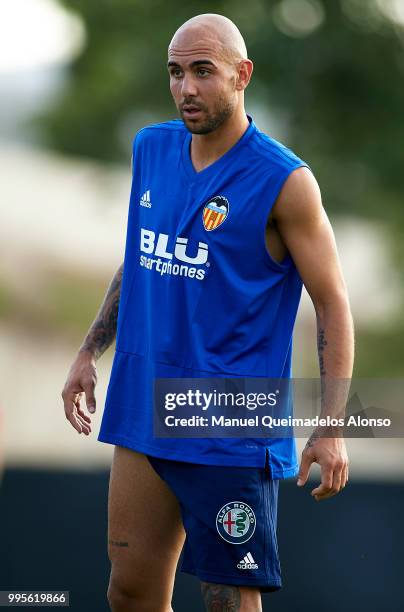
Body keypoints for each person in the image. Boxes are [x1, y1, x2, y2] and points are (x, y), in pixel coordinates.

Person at [62, 13, 354, 612]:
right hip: (145, 404)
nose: (186, 88)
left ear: (242, 74)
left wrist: (331, 424)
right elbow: (140, 258)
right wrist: (89, 351)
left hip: (228, 426)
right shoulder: (152, 147)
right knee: (130, 592)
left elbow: (332, 302)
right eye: (175, 73)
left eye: (203, 71)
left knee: (226, 601)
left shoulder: (284, 181)